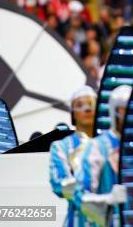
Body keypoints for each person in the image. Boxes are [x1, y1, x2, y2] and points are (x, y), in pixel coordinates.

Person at [75, 85, 130, 226]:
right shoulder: (98, 146)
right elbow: (81, 196)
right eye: (124, 110)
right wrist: (108, 198)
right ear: (114, 111)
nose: (129, 116)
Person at [49, 85, 97, 227]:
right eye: (80, 105)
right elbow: (59, 185)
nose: (87, 109)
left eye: (91, 104)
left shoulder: (108, 144)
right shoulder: (61, 147)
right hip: (78, 219)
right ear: (72, 113)